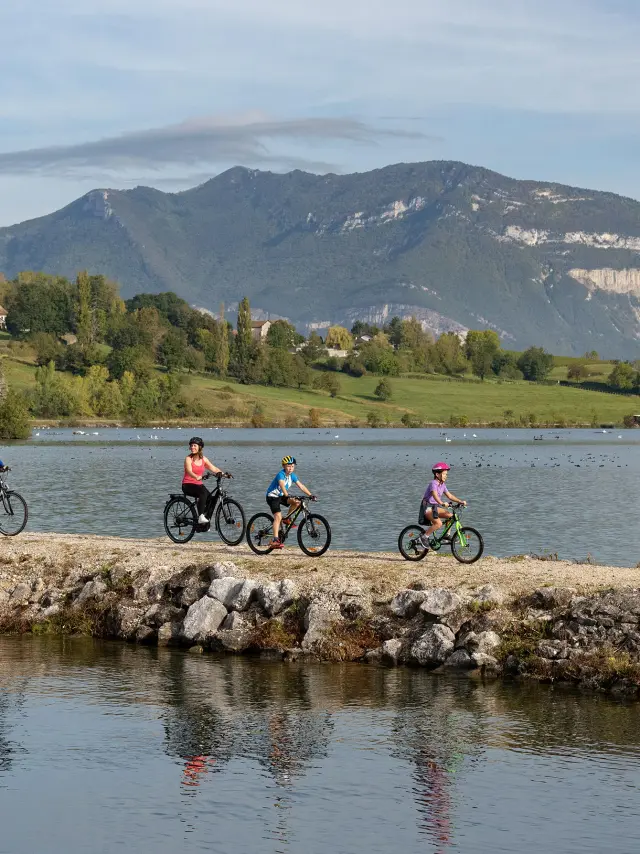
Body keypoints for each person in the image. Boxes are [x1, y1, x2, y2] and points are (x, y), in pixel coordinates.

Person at [265, 455, 315, 549]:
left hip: (281, 496)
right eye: (288, 466)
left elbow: (301, 486)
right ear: (283, 466)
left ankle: (287, 519)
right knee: (278, 517)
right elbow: (282, 485)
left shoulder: (292, 476)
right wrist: (286, 494)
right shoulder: (281, 474)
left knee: (297, 502)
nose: (290, 468)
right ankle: (275, 540)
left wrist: (310, 495)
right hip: (272, 496)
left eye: (292, 466)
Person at [182, 437, 231, 525]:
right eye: (191, 446)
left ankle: (203, 522)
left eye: (194, 445)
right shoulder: (188, 459)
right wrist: (196, 476)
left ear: (200, 447)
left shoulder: (204, 459)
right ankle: (200, 517)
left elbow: (213, 468)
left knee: (210, 499)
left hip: (198, 485)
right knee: (203, 493)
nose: (192, 447)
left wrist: (224, 474)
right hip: (187, 484)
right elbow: (189, 471)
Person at [419, 462, 466, 548]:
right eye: (444, 474)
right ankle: (424, 537)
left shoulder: (442, 485)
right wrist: (441, 503)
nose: (446, 476)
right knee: (439, 523)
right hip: (427, 508)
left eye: (446, 474)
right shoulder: (433, 483)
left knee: (450, 516)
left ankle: (446, 535)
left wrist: (460, 501)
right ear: (437, 474)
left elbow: (450, 496)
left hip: (435, 508)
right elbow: (434, 495)